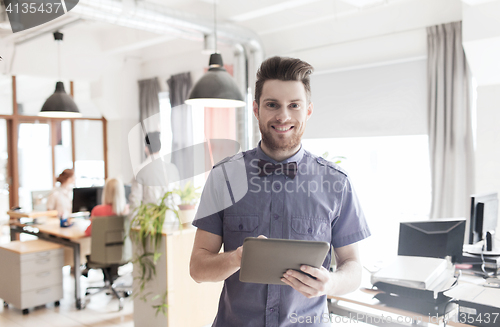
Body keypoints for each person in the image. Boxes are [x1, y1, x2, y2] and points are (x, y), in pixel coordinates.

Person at [190, 56, 371, 326]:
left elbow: (354, 267)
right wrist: (237, 258)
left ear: (308, 110)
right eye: (272, 104)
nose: (283, 116)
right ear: (256, 109)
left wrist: (331, 282)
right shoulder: (224, 178)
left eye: (294, 105)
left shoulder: (337, 183)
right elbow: (198, 268)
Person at [128, 131, 179, 223]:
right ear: (160, 147)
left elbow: (135, 201)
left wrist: (134, 226)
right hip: (169, 221)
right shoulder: (172, 168)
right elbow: (176, 198)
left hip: (148, 224)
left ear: (146, 148)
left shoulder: (140, 170)